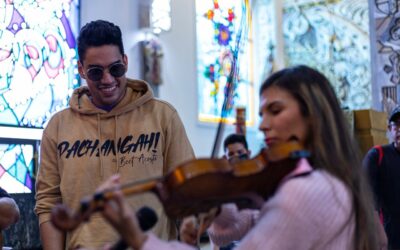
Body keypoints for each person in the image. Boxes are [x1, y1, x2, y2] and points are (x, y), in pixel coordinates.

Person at [97, 65, 380, 250]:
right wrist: (219, 206)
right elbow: (252, 221)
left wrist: (138, 239)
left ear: (313, 116)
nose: (263, 125)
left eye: (276, 111)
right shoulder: (329, 181)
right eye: (262, 114)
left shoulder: (306, 190)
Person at [34, 19, 195, 250]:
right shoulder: (58, 126)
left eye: (115, 69)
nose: (108, 80)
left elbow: (187, 190)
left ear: (126, 62)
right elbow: (49, 203)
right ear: (81, 69)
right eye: (96, 72)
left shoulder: (163, 116)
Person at [363, 105, 400, 249]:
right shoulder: (377, 155)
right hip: (387, 240)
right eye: (396, 125)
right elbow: (366, 196)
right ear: (389, 129)